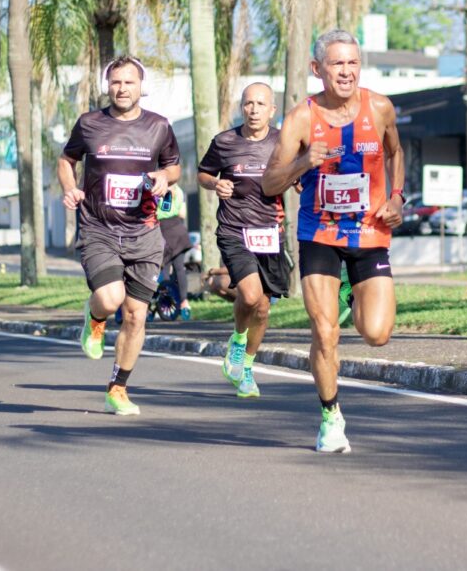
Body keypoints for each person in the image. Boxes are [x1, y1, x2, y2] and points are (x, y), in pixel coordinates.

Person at [263, 30, 405, 452]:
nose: (346, 71)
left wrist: (397, 197)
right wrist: (305, 161)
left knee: (376, 334)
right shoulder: (301, 118)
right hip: (319, 233)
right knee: (325, 334)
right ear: (317, 69)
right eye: (337, 64)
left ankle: (350, 294)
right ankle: (330, 416)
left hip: (369, 231)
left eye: (352, 63)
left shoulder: (379, 108)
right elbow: (271, 182)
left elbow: (396, 152)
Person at [58, 55, 181, 416]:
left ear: (141, 87)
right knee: (111, 299)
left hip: (144, 232)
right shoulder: (90, 123)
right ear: (107, 85)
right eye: (115, 82)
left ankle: (117, 389)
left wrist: (164, 178)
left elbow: (173, 165)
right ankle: (94, 319)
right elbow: (67, 160)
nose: (121, 88)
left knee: (135, 317)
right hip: (100, 228)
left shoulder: (159, 126)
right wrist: (70, 188)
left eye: (129, 82)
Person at [199, 82, 290, 399]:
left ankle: (247, 367)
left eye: (261, 104)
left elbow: (299, 175)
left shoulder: (284, 142)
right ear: (242, 107)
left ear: (272, 110)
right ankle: (237, 341)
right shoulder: (225, 141)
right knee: (250, 297)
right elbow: (203, 174)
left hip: (269, 233)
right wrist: (216, 184)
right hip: (234, 229)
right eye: (249, 103)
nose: (254, 110)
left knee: (264, 309)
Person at [156, 183, 193, 320]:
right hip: (178, 229)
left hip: (163, 229)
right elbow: (182, 214)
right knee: (180, 269)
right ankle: (184, 302)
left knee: (164, 267)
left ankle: (166, 299)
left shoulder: (158, 188)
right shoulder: (179, 190)